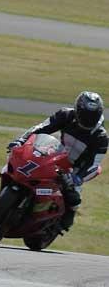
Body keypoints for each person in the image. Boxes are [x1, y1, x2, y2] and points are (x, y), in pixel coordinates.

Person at [8, 91, 107, 231]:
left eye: (92, 116)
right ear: (78, 110)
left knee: (74, 198)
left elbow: (94, 164)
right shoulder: (66, 115)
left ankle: (64, 219)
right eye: (85, 115)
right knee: (26, 164)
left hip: (75, 169)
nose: (88, 119)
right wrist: (21, 140)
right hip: (56, 154)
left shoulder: (100, 136)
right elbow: (41, 128)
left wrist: (78, 178)